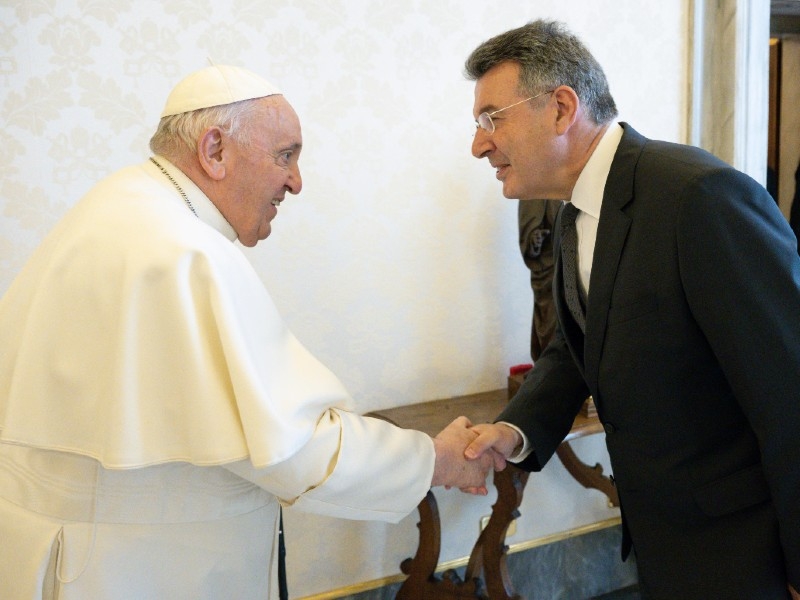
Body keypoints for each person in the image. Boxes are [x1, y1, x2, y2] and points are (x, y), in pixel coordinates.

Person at [0, 64, 493, 600]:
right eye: (285, 155)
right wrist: (435, 459)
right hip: (140, 570)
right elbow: (292, 445)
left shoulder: (118, 209)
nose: (296, 182)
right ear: (214, 150)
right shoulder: (181, 251)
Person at [460, 20, 800, 600]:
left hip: (748, 552)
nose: (479, 144)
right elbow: (579, 345)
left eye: (493, 118)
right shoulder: (575, 211)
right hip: (665, 544)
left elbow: (789, 391)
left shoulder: (700, 197)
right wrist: (514, 431)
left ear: (561, 109)